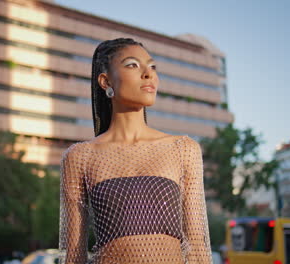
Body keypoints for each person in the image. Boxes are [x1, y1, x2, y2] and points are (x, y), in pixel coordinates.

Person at [59, 38, 212, 264]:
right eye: (132, 65)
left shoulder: (183, 149)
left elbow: (198, 246)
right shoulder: (80, 156)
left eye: (152, 67)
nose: (149, 74)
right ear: (105, 81)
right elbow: (74, 255)